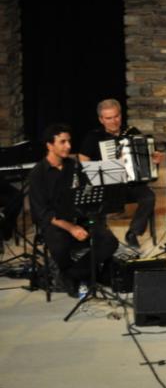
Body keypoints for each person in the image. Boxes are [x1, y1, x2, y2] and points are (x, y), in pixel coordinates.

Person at [28, 124, 118, 297]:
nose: (68, 146)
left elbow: (86, 194)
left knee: (109, 241)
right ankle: (82, 274)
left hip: (78, 218)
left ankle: (72, 275)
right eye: (62, 142)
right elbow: (42, 212)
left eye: (69, 141)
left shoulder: (73, 166)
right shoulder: (38, 174)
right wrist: (71, 228)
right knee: (60, 243)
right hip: (55, 224)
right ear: (49, 145)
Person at [78, 99, 161, 248]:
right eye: (109, 118)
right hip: (107, 186)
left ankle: (133, 233)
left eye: (116, 116)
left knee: (149, 197)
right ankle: (101, 237)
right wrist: (106, 167)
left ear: (121, 115)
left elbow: (146, 160)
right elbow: (83, 161)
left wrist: (153, 161)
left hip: (131, 184)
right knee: (92, 201)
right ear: (101, 120)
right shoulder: (94, 137)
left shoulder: (132, 132)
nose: (114, 121)